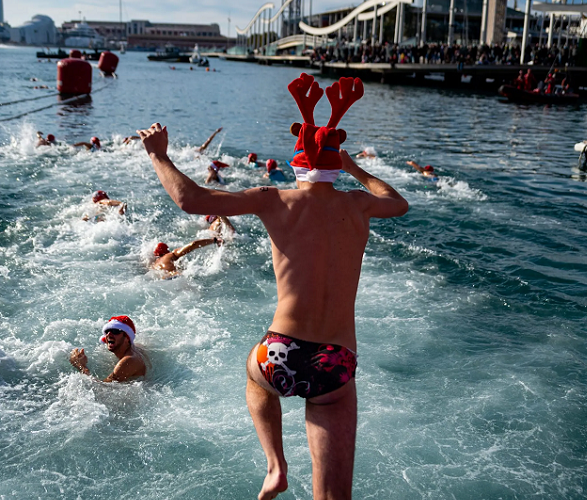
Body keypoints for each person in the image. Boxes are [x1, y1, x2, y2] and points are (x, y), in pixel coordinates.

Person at [136, 73, 408, 500]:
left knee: (256, 376)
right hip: (336, 361)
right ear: (336, 164)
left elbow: (191, 200)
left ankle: (275, 466)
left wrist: (159, 156)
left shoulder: (274, 198)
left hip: (280, 351)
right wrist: (354, 168)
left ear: (296, 162)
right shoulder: (360, 205)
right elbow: (399, 203)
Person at [69, 316, 147, 382]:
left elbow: (101, 388)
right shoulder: (135, 347)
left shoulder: (128, 361)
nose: (109, 334)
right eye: (107, 331)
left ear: (127, 338)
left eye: (115, 331)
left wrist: (80, 366)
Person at [150, 238, 222, 276]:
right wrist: (214, 240)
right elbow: (192, 245)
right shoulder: (170, 255)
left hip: (162, 282)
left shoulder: (154, 266)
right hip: (175, 277)